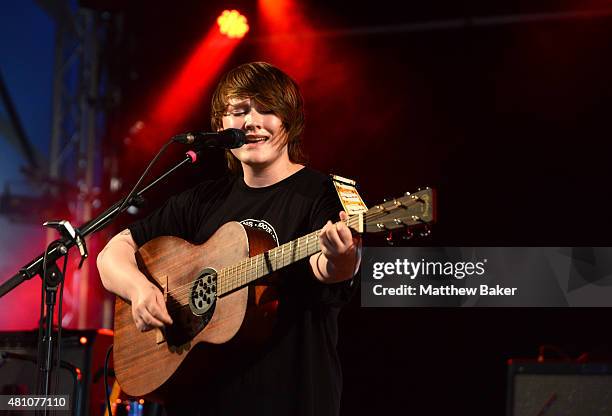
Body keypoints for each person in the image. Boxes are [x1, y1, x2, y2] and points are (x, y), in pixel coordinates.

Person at [97, 61, 361, 415]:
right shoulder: (201, 201)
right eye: (238, 111)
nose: (251, 122)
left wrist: (340, 255)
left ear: (289, 120)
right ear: (221, 125)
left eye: (266, 109)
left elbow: (333, 270)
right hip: (204, 398)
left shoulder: (325, 192)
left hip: (291, 399)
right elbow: (111, 254)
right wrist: (139, 290)